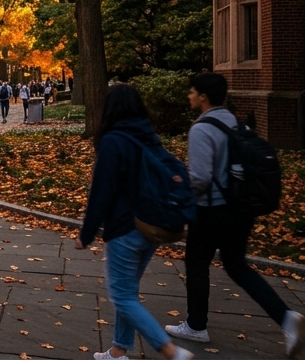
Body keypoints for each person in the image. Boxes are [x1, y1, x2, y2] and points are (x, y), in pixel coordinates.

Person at [165, 73, 303, 356]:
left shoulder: (202, 129)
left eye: (192, 92)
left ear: (203, 96)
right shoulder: (232, 120)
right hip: (240, 208)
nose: (189, 96)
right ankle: (286, 317)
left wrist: (178, 194)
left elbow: (201, 178)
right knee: (237, 265)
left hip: (211, 210)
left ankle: (196, 325)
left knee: (196, 264)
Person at [77, 83, 193, 360]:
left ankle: (170, 350)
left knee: (122, 295)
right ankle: (118, 351)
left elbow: (101, 191)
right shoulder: (147, 136)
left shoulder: (113, 141)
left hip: (125, 228)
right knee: (128, 290)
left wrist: (87, 232)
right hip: (149, 225)